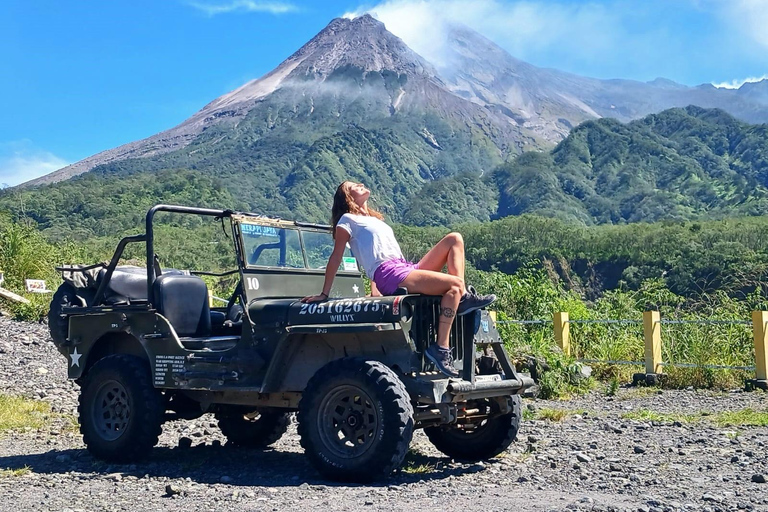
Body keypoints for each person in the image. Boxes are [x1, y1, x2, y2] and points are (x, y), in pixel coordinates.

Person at [301, 181, 496, 377]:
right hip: (389, 273)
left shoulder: (373, 219)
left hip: (403, 266)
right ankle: (441, 347)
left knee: (454, 239)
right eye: (353, 185)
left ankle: (460, 297)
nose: (360, 184)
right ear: (347, 196)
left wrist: (375, 292)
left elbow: (371, 252)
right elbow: (337, 257)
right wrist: (324, 293)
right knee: (455, 284)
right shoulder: (347, 220)